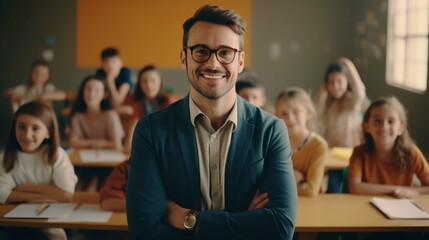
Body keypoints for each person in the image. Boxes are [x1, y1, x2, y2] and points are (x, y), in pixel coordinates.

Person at [126, 5, 297, 240]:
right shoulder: (151, 131)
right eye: (201, 51)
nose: (213, 63)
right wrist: (246, 224)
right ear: (184, 57)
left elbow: (280, 228)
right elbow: (145, 231)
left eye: (225, 52)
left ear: (240, 61)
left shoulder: (271, 131)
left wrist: (189, 218)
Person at [0, 101, 77, 240]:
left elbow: (66, 193)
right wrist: (41, 196)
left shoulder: (56, 155)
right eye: (21, 127)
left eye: (35, 128)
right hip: (16, 221)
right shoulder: (5, 157)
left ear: (49, 132)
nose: (27, 135)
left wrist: (25, 188)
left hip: (52, 218)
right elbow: (2, 194)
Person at [348, 96, 429, 198]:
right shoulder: (359, 153)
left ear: (400, 128)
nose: (384, 127)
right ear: (367, 126)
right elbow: (355, 187)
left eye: (391, 121)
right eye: (377, 121)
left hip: (402, 208)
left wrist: (410, 192)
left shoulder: (412, 153)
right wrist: (396, 189)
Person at [316, 57, 368, 193]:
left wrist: (349, 66)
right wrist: (322, 92)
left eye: (340, 81)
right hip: (335, 153)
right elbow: (318, 113)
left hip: (353, 152)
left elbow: (359, 90)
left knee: (350, 186)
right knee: (333, 187)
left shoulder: (352, 102)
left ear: (347, 82)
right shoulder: (329, 104)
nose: (335, 86)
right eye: (331, 83)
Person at [68, 75, 124, 191]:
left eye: (97, 90)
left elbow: (116, 144)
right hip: (85, 163)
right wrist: (101, 142)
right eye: (88, 88)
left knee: (104, 187)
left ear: (105, 94)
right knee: (87, 186)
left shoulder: (110, 115)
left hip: (108, 164)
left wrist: (86, 143)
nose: (91, 93)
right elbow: (73, 142)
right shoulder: (78, 116)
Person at [275, 87, 328, 196]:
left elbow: (311, 190)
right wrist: (294, 178)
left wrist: (283, 180)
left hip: (311, 206)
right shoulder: (273, 142)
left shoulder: (319, 146)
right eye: (284, 114)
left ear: (309, 113)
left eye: (296, 112)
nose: (290, 118)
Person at [120, 65, 176, 152]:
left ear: (160, 82)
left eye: (153, 81)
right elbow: (134, 123)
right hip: (140, 145)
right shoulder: (134, 100)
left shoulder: (168, 101)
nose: (149, 85)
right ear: (139, 83)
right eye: (144, 81)